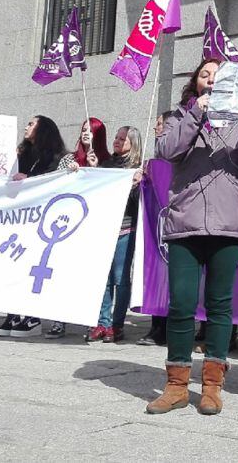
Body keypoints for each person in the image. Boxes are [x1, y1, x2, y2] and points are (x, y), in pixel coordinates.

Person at [145, 59, 238, 416]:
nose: (212, 82)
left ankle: (212, 386)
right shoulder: (179, 116)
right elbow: (167, 150)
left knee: (220, 306)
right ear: (196, 83)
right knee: (182, 304)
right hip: (185, 223)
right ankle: (175, 385)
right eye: (205, 76)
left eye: (220, 78)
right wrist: (195, 114)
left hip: (229, 224)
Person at [0, 115, 69, 339]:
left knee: (33, 271)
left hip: (41, 223)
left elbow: (55, 183)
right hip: (18, 221)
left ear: (43, 129)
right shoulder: (22, 155)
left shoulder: (57, 158)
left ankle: (33, 317)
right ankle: (14, 313)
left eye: (31, 124)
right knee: (15, 268)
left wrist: (28, 178)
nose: (26, 127)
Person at [86, 125, 143, 343]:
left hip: (125, 229)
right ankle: (103, 322)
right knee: (104, 279)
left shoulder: (137, 167)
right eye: (116, 137)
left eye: (122, 138)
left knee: (121, 279)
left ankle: (117, 324)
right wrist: (94, 170)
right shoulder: (107, 164)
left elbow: (138, 204)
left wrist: (138, 184)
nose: (117, 141)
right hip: (105, 229)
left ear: (133, 143)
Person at [138, 113, 171, 348]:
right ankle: (156, 326)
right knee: (157, 278)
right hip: (158, 228)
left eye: (160, 124)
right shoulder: (153, 163)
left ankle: (170, 328)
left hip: (179, 224)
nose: (156, 129)